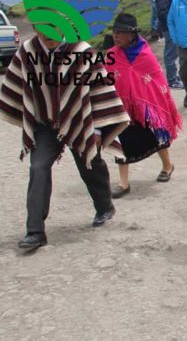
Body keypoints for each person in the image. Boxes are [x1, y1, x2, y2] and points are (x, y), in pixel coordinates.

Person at [0, 23, 130, 250]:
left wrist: (98, 130)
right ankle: (35, 231)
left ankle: (104, 206)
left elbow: (99, 90)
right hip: (45, 124)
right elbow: (15, 84)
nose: (47, 33)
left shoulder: (81, 51)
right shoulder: (28, 51)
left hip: (80, 120)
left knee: (90, 164)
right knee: (38, 168)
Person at [104, 14, 181, 198]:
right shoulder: (112, 55)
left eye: (120, 33)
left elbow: (157, 83)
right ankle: (123, 183)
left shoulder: (145, 55)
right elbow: (105, 81)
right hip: (122, 108)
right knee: (120, 139)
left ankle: (167, 165)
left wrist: (150, 104)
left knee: (156, 134)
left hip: (145, 108)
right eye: (115, 32)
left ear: (131, 35)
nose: (116, 36)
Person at [155, 0, 182, 89]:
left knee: (175, 53)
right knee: (170, 54)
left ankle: (175, 76)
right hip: (170, 29)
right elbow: (162, 13)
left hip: (175, 27)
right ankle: (172, 80)